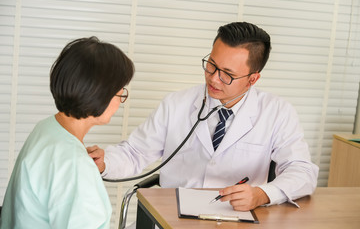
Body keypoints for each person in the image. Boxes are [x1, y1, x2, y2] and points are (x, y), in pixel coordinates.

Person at [88, 22, 319, 211]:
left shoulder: (277, 112)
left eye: (228, 74)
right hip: (172, 213)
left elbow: (302, 171)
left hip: (235, 218)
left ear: (253, 79)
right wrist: (105, 162)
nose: (214, 79)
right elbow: (135, 152)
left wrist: (262, 194)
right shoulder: (176, 104)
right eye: (211, 65)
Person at [0, 37, 134, 228]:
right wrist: (79, 168)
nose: (121, 100)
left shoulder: (46, 128)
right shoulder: (75, 165)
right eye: (121, 92)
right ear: (100, 93)